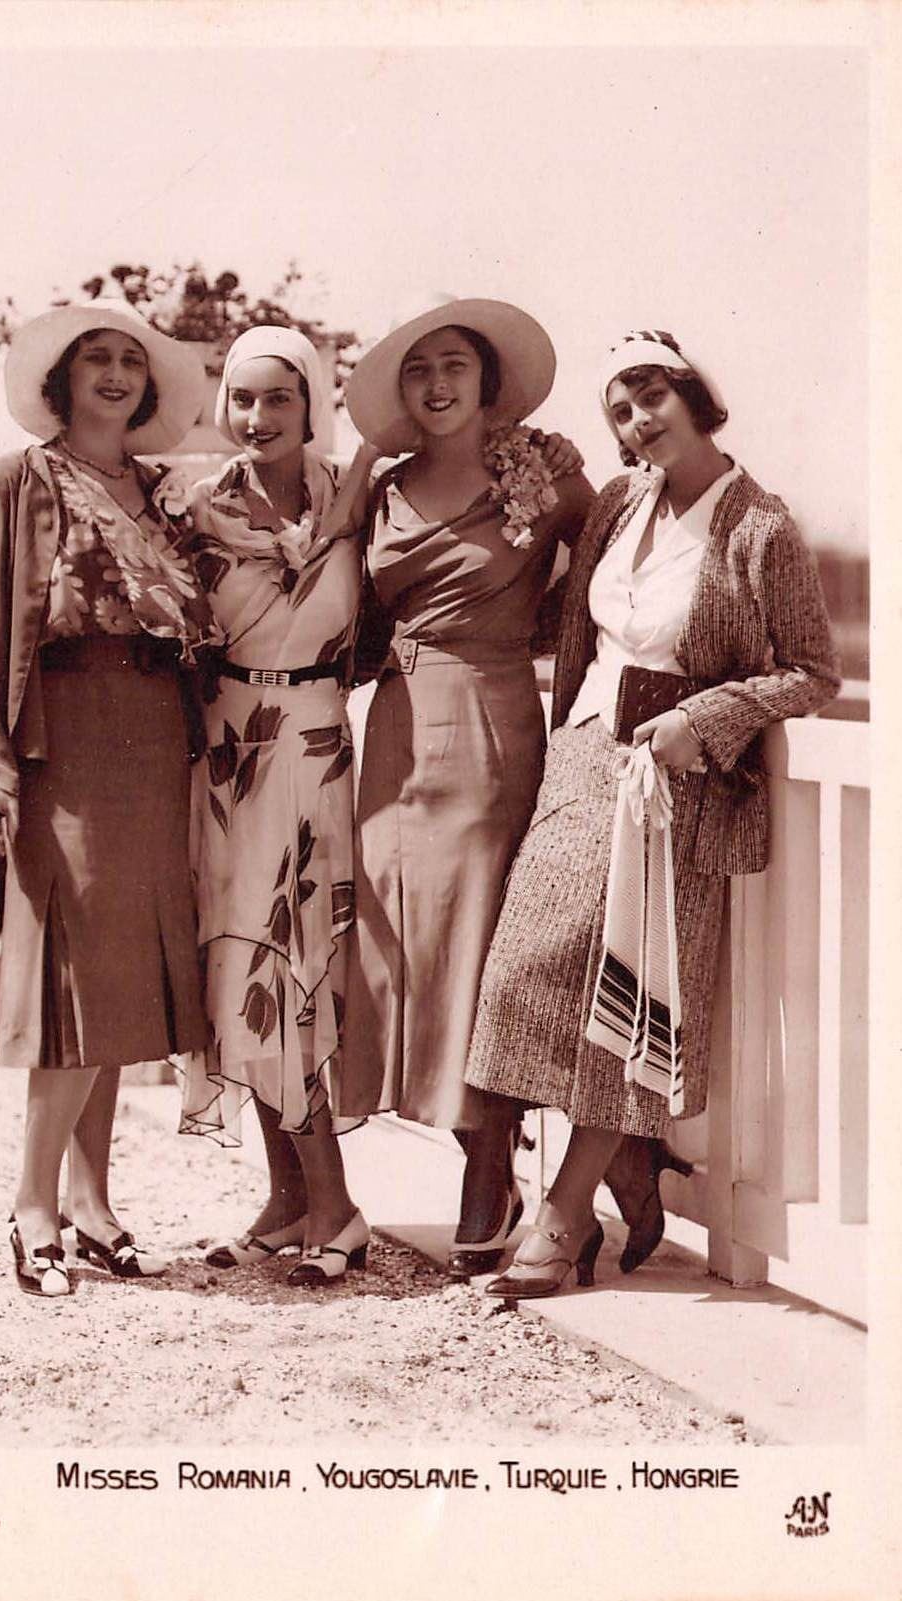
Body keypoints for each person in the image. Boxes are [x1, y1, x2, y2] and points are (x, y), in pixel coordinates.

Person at [464, 329, 840, 1298]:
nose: (637, 421)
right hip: (583, 761)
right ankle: (629, 1163)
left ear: (694, 394)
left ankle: (562, 1218)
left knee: (627, 998)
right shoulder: (620, 503)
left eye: (651, 397)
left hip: (678, 789)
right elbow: (579, 630)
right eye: (619, 410)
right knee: (518, 978)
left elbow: (810, 671)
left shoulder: (760, 526)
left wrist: (702, 719)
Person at [0, 298, 213, 1298]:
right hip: (63, 737)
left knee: (118, 981)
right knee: (74, 973)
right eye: (94, 358)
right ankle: (33, 1207)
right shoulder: (18, 480)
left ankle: (93, 1205)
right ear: (62, 379)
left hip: (153, 739)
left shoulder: (160, 494)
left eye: (129, 360)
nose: (113, 373)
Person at [338, 296, 594, 1277]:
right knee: (399, 945)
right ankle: (474, 1153)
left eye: (454, 365)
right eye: (418, 369)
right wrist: (362, 460)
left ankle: (487, 1174)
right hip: (396, 728)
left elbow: (613, 571)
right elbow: (332, 585)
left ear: (488, 382)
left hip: (492, 724)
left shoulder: (542, 476)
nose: (436, 383)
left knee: (479, 947)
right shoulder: (384, 488)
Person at [181, 326, 379, 1286]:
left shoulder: (362, 497)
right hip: (229, 752)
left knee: (299, 969)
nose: (257, 417)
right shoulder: (194, 509)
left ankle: (335, 1205)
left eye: (278, 398)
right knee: (241, 965)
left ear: (311, 405)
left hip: (317, 742)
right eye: (243, 398)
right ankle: (292, 1199)